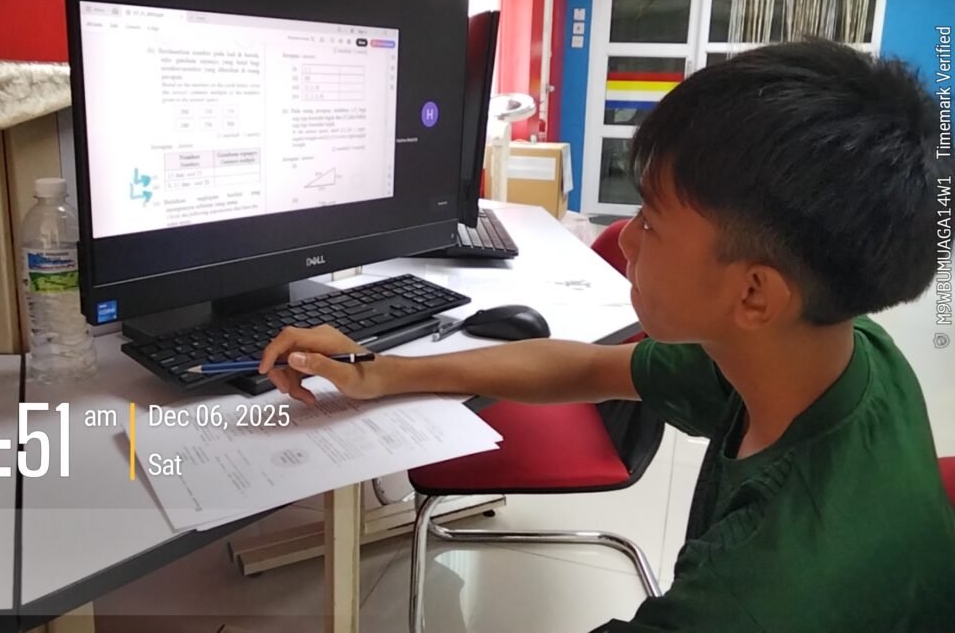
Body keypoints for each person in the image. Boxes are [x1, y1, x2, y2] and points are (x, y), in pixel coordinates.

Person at [259, 41, 955, 631]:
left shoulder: (757, 591)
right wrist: (381, 371)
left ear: (754, 294)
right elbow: (589, 370)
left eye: (651, 220)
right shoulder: (828, 350)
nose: (625, 240)